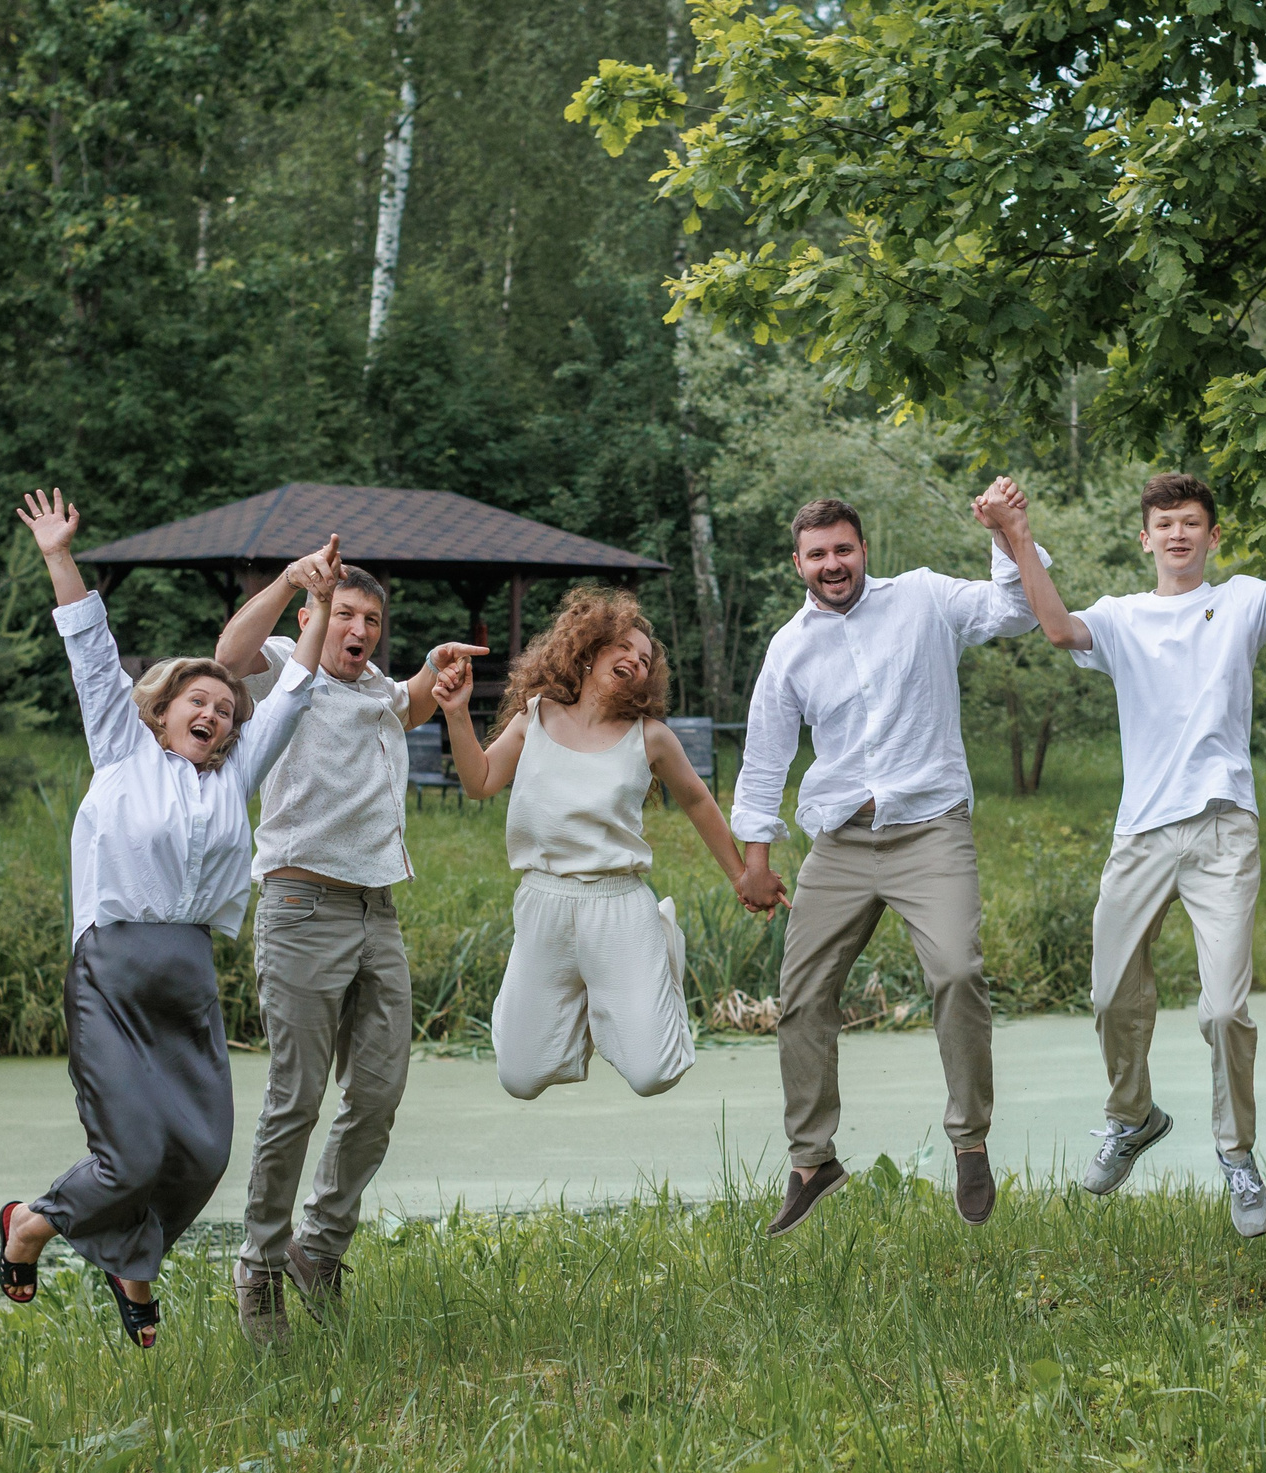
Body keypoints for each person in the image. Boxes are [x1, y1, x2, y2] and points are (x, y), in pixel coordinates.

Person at [0, 489, 326, 1349]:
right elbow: (88, 643)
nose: (213, 713)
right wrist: (59, 554)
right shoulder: (120, 744)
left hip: (186, 977)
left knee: (202, 1152)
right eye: (198, 701)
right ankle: (32, 1222)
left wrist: (318, 602)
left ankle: (130, 1258)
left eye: (225, 709)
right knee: (132, 1153)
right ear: (162, 708)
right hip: (112, 970)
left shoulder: (234, 778)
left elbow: (293, 694)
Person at [997, 459, 1266, 1235]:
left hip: (1223, 830)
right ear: (1144, 538)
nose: (1178, 534)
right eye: (1165, 524)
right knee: (1111, 995)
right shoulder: (1121, 617)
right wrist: (1018, 535)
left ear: (1212, 536)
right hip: (1142, 832)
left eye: (1191, 523)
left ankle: (1236, 1154)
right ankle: (1133, 1116)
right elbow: (1057, 628)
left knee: (1226, 1009)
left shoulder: (1239, 601)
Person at [733, 489, 1037, 1236]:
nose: (832, 564)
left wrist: (1007, 534)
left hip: (930, 830)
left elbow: (1015, 610)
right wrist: (755, 861)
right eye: (817, 554)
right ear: (798, 563)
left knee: (957, 972)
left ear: (864, 549)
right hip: (840, 840)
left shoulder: (925, 598)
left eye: (843, 549)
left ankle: (970, 1140)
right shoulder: (789, 648)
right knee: (801, 996)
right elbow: (765, 756)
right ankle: (812, 1162)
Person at [209, 539, 481, 1348]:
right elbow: (226, 657)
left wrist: (435, 670)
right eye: (345, 614)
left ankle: (318, 1249)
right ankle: (260, 1267)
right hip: (299, 907)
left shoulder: (375, 690)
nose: (359, 629)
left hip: (377, 911)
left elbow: (413, 705)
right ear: (312, 619)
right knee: (294, 1100)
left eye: (372, 620)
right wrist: (292, 580)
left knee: (379, 1093)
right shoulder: (283, 670)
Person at [436, 586, 757, 1102]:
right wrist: (456, 713)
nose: (636, 660)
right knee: (520, 1078)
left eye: (645, 660)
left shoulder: (650, 736)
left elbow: (698, 801)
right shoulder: (535, 717)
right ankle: (589, 1001)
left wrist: (742, 875)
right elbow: (480, 781)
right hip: (544, 903)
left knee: (653, 1074)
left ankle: (651, 965)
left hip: (619, 907)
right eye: (623, 648)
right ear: (587, 653)